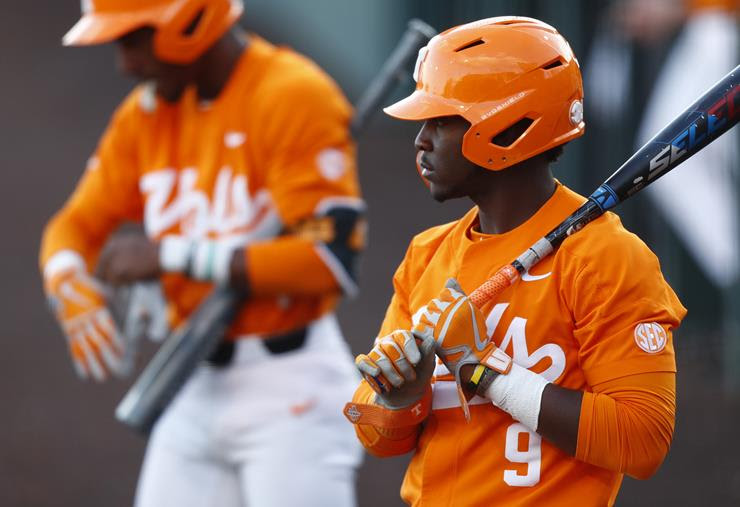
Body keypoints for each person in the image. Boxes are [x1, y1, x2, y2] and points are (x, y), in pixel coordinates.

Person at [344, 16, 686, 506]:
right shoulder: (428, 254)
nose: (421, 140)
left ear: (507, 126)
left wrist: (486, 372)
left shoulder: (604, 256)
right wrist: (399, 396)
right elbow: (378, 438)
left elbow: (643, 439)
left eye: (441, 121)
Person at [39, 1, 365, 505]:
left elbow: (327, 262)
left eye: (133, 40)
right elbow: (73, 226)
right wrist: (67, 283)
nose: (125, 63)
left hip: (290, 393)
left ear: (188, 21)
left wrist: (176, 256)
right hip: (192, 384)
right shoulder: (148, 115)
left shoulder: (292, 93)